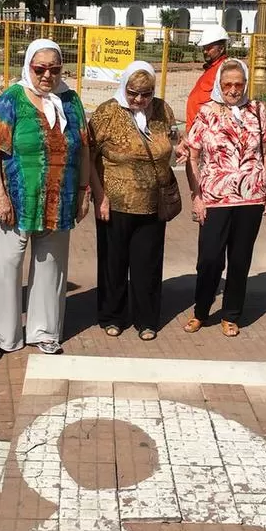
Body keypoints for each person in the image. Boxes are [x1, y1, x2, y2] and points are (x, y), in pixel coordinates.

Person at [0, 39, 90, 360]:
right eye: (40, 68)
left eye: (54, 69)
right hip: (13, 201)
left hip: (58, 200)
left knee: (51, 269)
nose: (47, 75)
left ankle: (44, 332)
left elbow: (83, 147)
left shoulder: (70, 101)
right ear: (28, 67)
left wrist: (83, 193)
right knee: (5, 267)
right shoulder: (12, 98)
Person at [184, 58, 266, 337]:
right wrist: (196, 195)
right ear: (219, 85)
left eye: (239, 84)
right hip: (214, 197)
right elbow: (193, 155)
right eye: (228, 84)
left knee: (240, 258)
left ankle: (231, 314)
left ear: (245, 84)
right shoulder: (207, 112)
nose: (234, 89)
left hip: (251, 197)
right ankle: (201, 310)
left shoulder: (257, 110)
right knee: (209, 259)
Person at [89, 61, 177, 341]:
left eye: (146, 93)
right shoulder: (107, 112)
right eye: (133, 93)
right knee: (114, 263)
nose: (139, 99)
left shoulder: (163, 110)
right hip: (114, 203)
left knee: (147, 263)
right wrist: (98, 196)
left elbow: (170, 142)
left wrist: (180, 147)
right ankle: (112, 315)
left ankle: (147, 319)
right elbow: (89, 157)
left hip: (153, 202)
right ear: (123, 87)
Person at [185, 24, 229, 132]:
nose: (205, 51)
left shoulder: (225, 69)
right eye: (204, 48)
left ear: (221, 48)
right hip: (195, 130)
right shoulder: (211, 68)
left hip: (207, 131)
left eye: (209, 48)